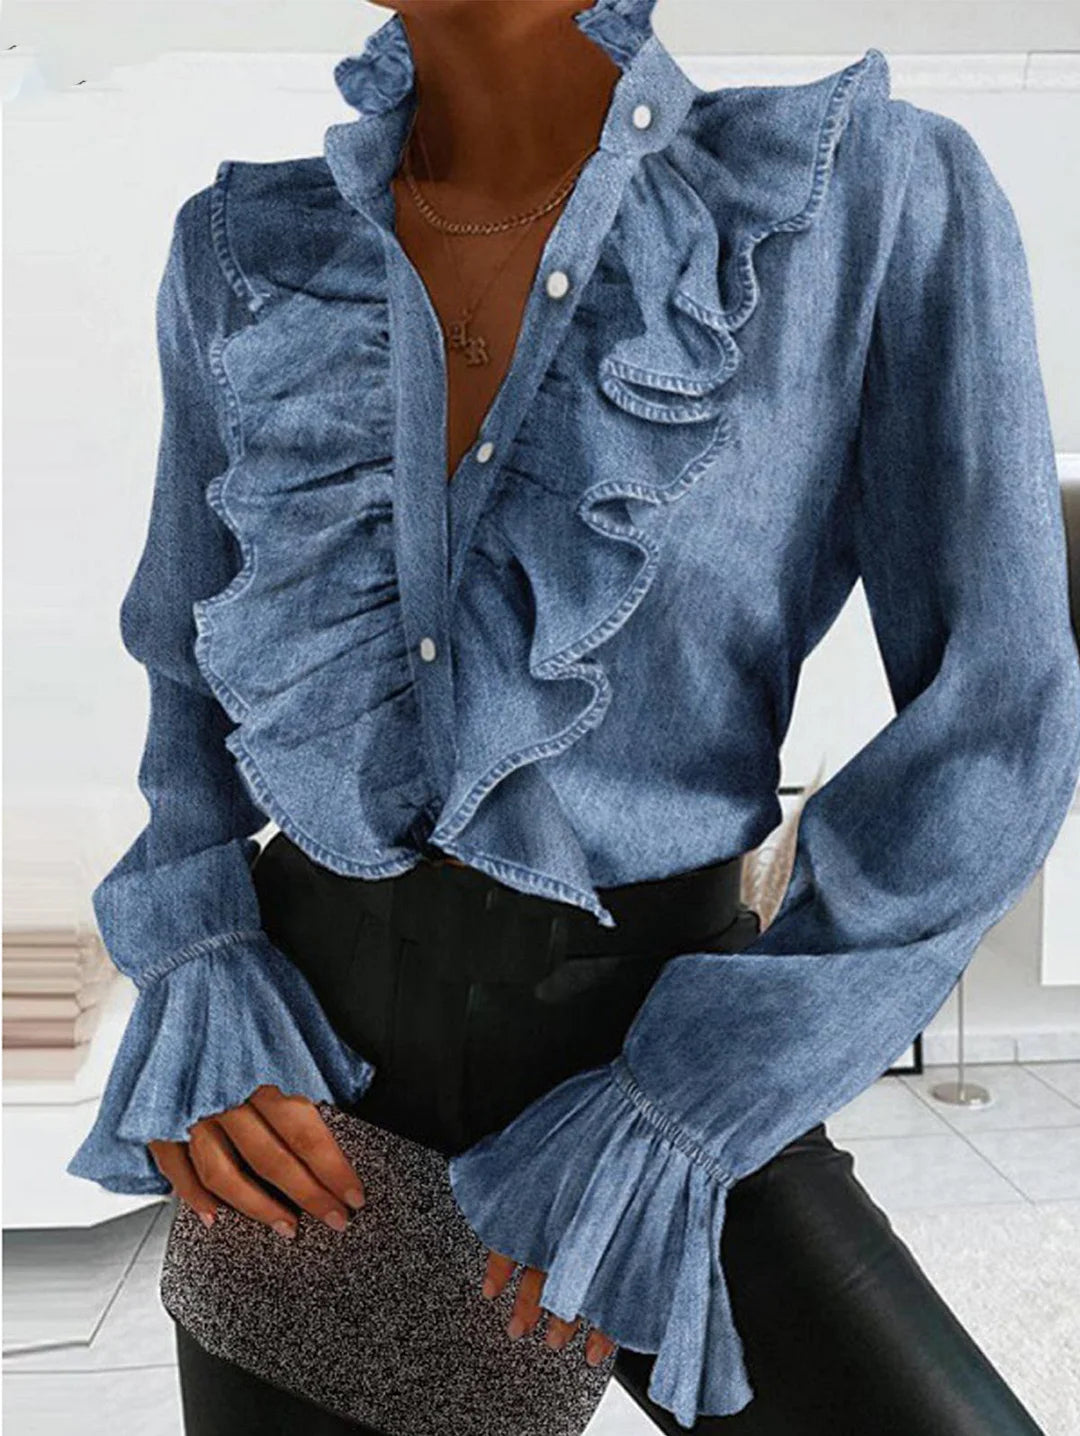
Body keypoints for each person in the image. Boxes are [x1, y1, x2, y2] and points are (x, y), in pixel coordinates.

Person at [66, 1, 1080, 1433]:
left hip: (668, 1079)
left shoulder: (860, 199)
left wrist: (715, 1086)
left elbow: (1000, 714)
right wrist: (200, 966)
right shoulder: (244, 257)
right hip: (310, 1111)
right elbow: (185, 676)